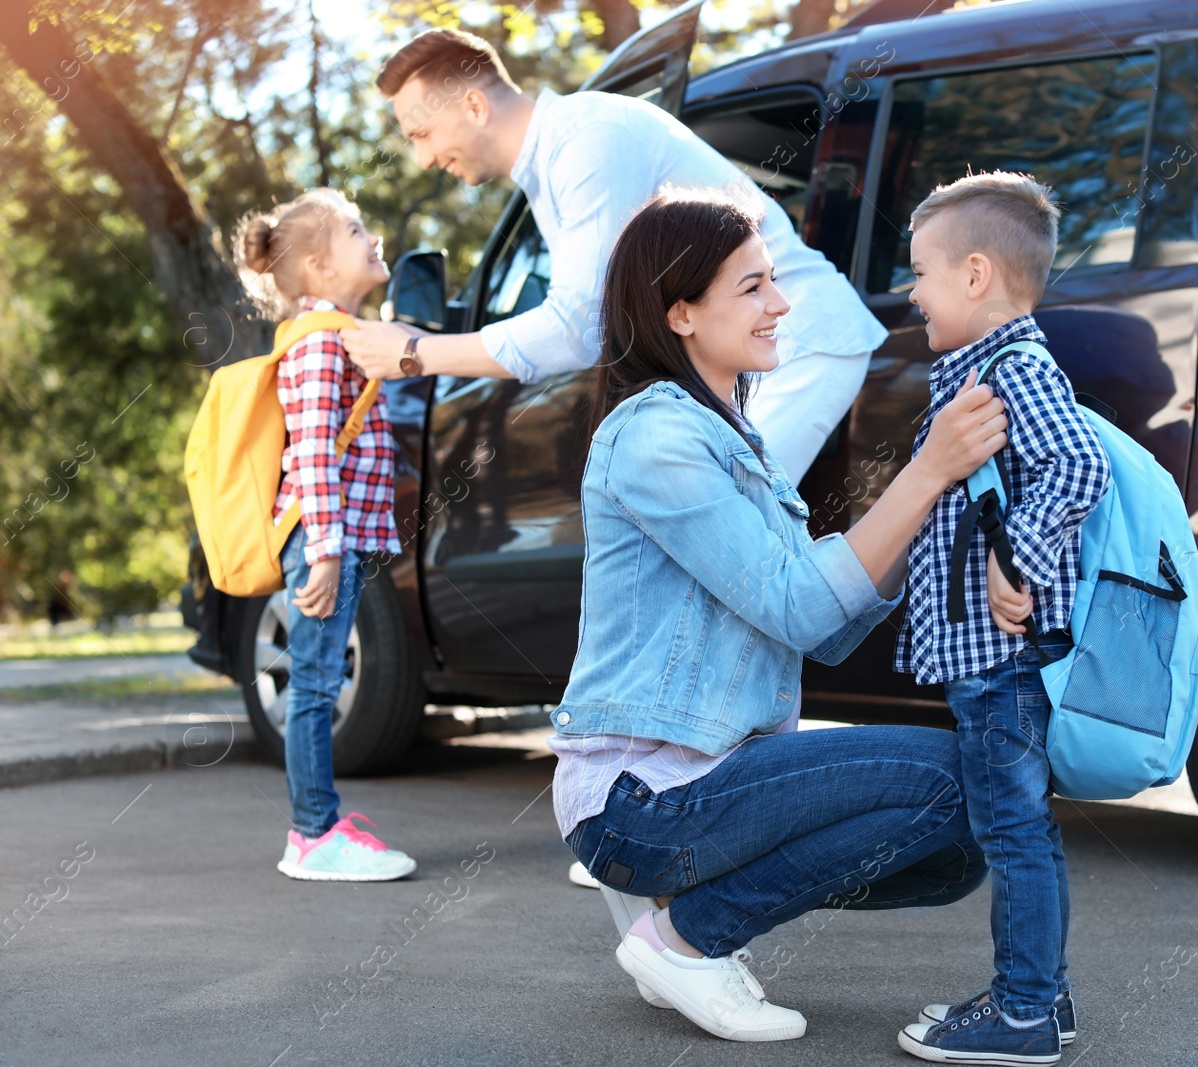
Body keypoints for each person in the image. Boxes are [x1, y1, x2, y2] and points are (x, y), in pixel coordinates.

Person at [554, 187, 1008, 1043]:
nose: (782, 304)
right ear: (680, 311)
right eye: (754, 286)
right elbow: (804, 606)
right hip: (642, 798)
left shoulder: (731, 436)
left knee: (959, 851)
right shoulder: (657, 437)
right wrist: (926, 469)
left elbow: (825, 626)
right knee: (958, 777)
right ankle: (688, 937)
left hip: (705, 779)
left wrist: (939, 502)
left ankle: (681, 916)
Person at [342, 28, 886, 482]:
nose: (423, 158)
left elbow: (579, 326)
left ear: (475, 105)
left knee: (729, 560)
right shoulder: (554, 161)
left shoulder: (587, 142)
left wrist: (415, 352)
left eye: (422, 133)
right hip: (750, 361)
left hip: (796, 347)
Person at [892, 173, 1111, 1066]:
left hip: (1004, 660)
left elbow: (1077, 465)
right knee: (1022, 828)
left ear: (976, 275)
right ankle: (1041, 1002)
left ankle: (1022, 1010)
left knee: (1014, 831)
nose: (911, 292)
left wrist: (1011, 556)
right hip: (996, 659)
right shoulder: (989, 371)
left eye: (921, 273)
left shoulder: (1014, 370)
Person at [235, 189, 417, 882]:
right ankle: (312, 836)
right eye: (354, 228)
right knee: (314, 685)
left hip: (331, 535)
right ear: (317, 264)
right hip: (320, 537)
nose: (372, 236)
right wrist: (327, 550)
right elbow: (312, 449)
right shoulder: (316, 343)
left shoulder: (340, 331)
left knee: (316, 678)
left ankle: (319, 827)